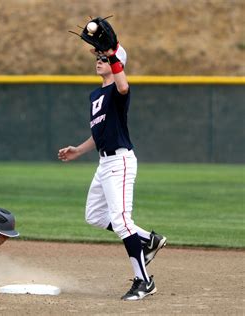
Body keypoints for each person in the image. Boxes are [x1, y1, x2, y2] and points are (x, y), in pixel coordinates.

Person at [58, 42, 167, 300]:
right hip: (104, 163)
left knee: (120, 221)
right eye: (97, 58)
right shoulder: (95, 96)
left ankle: (144, 281)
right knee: (94, 215)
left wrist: (114, 56)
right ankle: (149, 240)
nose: (98, 61)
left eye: (104, 59)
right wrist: (78, 150)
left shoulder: (119, 91)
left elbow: (124, 85)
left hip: (121, 162)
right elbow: (99, 134)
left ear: (116, 64)